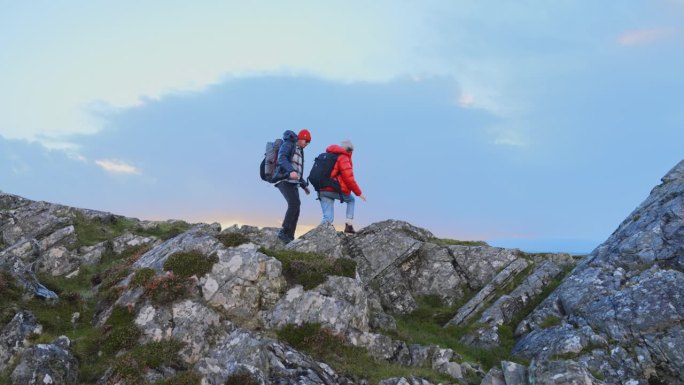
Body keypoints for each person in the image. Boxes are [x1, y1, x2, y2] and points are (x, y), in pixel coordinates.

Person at [318, 140, 366, 233]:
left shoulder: (327, 155)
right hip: (333, 188)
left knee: (327, 219)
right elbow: (349, 178)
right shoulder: (343, 158)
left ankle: (315, 238)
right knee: (351, 200)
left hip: (321, 189)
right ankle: (349, 225)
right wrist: (359, 193)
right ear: (350, 151)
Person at [272, 129, 311, 243]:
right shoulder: (288, 144)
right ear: (301, 138)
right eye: (306, 141)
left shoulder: (300, 150)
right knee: (294, 203)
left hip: (293, 182)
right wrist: (289, 171)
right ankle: (283, 232)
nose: (307, 144)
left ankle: (290, 236)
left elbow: (297, 171)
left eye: (309, 143)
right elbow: (282, 158)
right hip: (283, 179)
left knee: (297, 207)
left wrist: (304, 186)